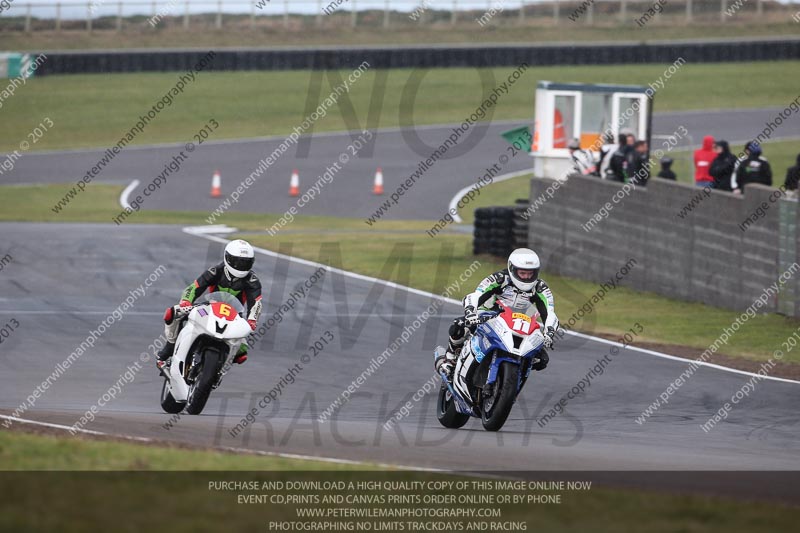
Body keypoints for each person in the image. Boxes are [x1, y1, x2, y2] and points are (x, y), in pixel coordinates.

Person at [434, 248, 560, 378]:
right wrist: (470, 311)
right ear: (512, 269)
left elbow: (550, 313)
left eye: (530, 274)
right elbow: (477, 294)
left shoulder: (541, 288)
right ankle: (450, 358)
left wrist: (549, 332)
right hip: (490, 315)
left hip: (521, 324)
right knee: (460, 326)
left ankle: (515, 374)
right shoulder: (499, 278)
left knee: (542, 359)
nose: (527, 277)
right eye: (522, 273)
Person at [156, 239, 263, 369]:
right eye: (237, 261)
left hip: (235, 315)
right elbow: (195, 287)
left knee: (242, 351)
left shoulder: (252, 281)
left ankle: (219, 368)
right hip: (209, 307)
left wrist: (252, 320)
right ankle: (170, 347)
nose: (241, 266)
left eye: (245, 263)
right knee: (172, 313)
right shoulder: (216, 271)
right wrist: (186, 301)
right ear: (228, 258)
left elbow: (256, 303)